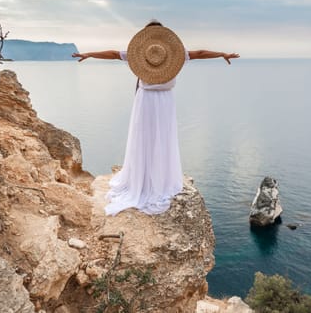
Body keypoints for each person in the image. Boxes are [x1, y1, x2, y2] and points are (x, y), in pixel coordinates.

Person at [72, 20, 239, 216]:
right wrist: (222, 54)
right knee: (163, 138)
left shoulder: (138, 55)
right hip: (165, 101)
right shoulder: (176, 55)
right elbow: (200, 53)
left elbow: (113, 54)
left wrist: (90, 54)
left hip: (145, 101)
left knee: (144, 137)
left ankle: (142, 179)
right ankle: (159, 178)